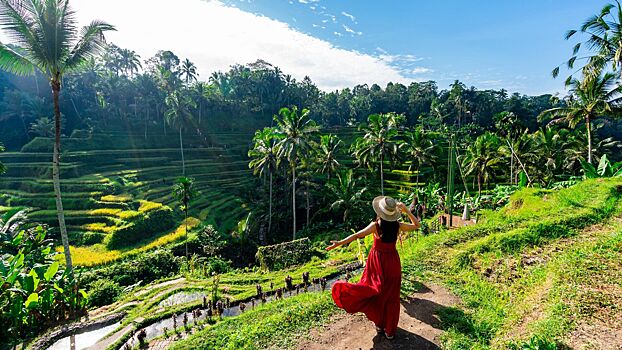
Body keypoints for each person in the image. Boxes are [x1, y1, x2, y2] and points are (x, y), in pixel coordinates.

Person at [326, 196, 420, 340]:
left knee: (377, 293)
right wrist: (406, 209)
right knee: (392, 297)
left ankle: (380, 325)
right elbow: (416, 225)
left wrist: (339, 243)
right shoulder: (398, 225)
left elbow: (357, 235)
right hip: (393, 263)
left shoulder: (375, 226)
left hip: (377, 263)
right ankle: (390, 331)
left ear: (380, 212)